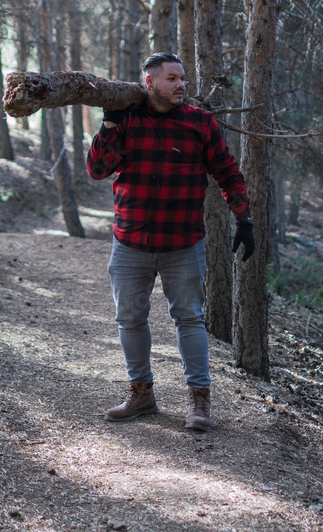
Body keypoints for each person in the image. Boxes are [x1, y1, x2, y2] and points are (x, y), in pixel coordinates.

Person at [86, 52, 255, 432]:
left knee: (190, 319)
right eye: (172, 79)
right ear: (149, 83)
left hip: (182, 243)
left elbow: (227, 172)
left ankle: (199, 399)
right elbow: (98, 170)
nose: (182, 85)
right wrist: (110, 124)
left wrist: (242, 218)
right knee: (129, 319)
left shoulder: (200, 123)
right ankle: (141, 393)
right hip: (130, 242)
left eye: (183, 78)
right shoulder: (126, 120)